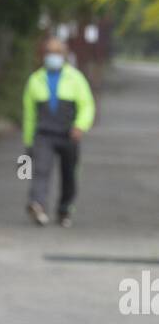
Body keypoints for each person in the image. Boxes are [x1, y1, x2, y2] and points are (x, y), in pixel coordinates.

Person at [23, 36, 95, 227]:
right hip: (44, 134)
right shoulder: (35, 80)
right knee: (39, 171)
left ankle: (65, 210)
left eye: (56, 53)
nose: (52, 57)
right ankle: (37, 204)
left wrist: (80, 125)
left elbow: (87, 105)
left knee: (69, 174)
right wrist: (28, 141)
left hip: (69, 134)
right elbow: (29, 114)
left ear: (63, 56)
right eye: (49, 53)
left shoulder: (76, 78)